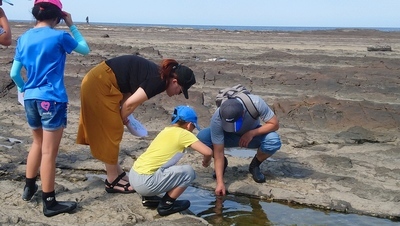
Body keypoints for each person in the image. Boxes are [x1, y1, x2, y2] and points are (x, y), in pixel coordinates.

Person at [9, 0, 90, 217]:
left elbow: (14, 74)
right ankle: (50, 202)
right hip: (52, 99)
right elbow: (84, 49)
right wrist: (71, 25)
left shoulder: (23, 38)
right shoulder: (60, 36)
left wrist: (23, 89)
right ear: (58, 16)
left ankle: (29, 187)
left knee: (37, 143)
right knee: (49, 152)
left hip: (30, 99)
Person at [76, 55, 197, 194]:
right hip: (99, 83)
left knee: (113, 127)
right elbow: (130, 104)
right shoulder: (158, 81)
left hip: (104, 81)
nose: (178, 94)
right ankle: (112, 181)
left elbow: (128, 89)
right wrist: (120, 118)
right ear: (175, 81)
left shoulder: (160, 75)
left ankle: (118, 173)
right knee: (112, 131)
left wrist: (121, 114)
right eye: (181, 90)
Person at [129, 105, 212, 216]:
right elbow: (208, 152)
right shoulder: (184, 134)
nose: (193, 130)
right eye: (194, 127)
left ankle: (149, 199)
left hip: (133, 176)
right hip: (145, 183)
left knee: (162, 164)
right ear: (189, 125)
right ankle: (166, 205)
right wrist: (206, 161)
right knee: (188, 172)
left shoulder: (166, 131)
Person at [197, 93, 282, 196]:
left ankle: (254, 166)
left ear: (243, 113)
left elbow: (274, 124)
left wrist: (252, 133)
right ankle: (223, 164)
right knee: (202, 138)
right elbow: (218, 152)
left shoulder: (255, 103)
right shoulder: (217, 117)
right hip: (229, 137)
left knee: (273, 141)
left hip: (252, 136)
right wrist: (220, 183)